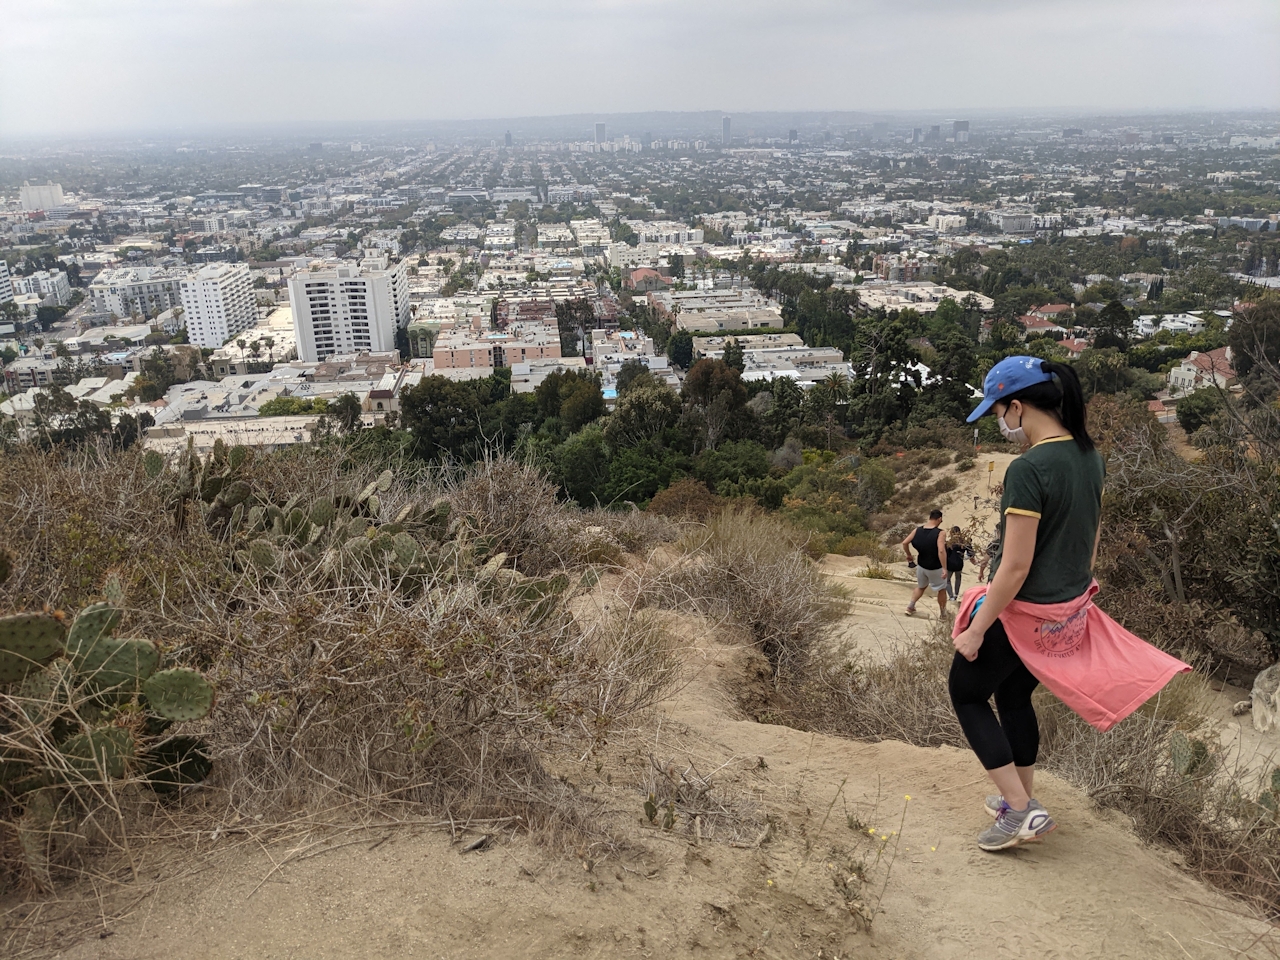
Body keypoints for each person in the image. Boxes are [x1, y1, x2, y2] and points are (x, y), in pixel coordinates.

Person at [950, 356, 1103, 851]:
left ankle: (1018, 809)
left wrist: (977, 628)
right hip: (1064, 611)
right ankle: (1022, 799)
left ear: (1018, 405)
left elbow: (1014, 567)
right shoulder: (1088, 457)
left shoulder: (1030, 468)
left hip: (1022, 611)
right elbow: (1091, 541)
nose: (1000, 423)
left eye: (998, 411)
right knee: (1014, 697)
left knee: (967, 692)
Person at [901, 509, 948, 618]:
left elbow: (905, 542)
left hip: (921, 565)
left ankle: (910, 606)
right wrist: (944, 568)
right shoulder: (940, 533)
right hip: (935, 567)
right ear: (939, 519)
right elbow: (941, 550)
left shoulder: (917, 530)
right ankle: (943, 613)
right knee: (941, 589)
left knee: (921, 587)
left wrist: (908, 554)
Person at [944, 526, 973, 601]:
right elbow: (970, 552)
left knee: (947, 580)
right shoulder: (963, 543)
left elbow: (945, 554)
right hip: (959, 563)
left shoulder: (949, 543)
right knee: (958, 578)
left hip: (949, 564)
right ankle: (956, 595)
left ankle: (951, 596)